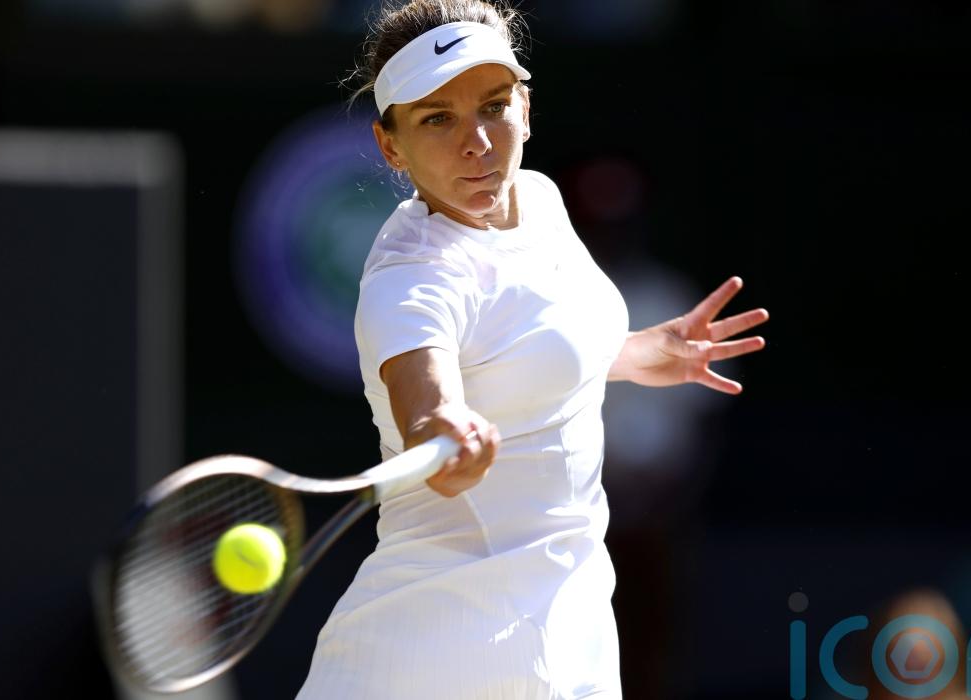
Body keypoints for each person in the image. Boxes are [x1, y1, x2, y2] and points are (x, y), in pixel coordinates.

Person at [295, 1, 769, 697]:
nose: (478, 143)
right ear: (390, 146)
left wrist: (636, 351)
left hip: (570, 632)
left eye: (493, 106)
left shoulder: (539, 200)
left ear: (526, 106)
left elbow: (528, 350)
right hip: (434, 655)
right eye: (437, 119)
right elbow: (425, 398)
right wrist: (441, 431)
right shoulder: (411, 277)